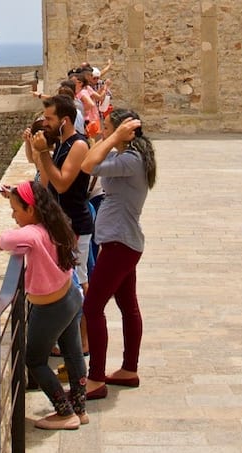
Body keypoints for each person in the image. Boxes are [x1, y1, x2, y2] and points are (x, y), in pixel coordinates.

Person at [59, 109, 156, 400]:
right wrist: (112, 137)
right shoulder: (126, 157)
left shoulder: (130, 160)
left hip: (119, 242)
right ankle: (129, 369)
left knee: (92, 307)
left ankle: (96, 378)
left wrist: (113, 136)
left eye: (108, 127)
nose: (102, 131)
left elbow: (88, 164)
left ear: (125, 132)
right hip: (120, 241)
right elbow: (96, 158)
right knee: (128, 306)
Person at [0, 180, 88, 430]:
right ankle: (80, 408)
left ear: (31, 210)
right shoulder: (54, 225)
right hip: (70, 296)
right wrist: (14, 196)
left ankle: (64, 412)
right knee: (73, 353)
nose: (13, 215)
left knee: (34, 359)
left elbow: (3, 241)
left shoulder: (33, 234)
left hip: (51, 308)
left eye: (16, 211)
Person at [23, 95, 97, 284]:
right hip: (63, 224)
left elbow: (62, 185)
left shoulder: (78, 145)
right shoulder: (62, 144)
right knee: (66, 281)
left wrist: (43, 154)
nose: (45, 123)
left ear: (64, 121)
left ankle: (86, 314)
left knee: (79, 281)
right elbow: (47, 184)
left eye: (49, 119)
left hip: (76, 225)